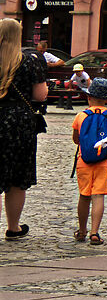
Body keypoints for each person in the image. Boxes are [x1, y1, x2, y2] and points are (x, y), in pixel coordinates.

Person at [0, 19, 49, 240]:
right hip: (19, 122)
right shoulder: (29, 61)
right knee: (17, 179)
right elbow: (40, 96)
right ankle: (13, 227)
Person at [72, 78, 107, 245]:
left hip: (83, 161)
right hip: (104, 162)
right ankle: (94, 233)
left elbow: (76, 139)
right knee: (98, 196)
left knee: (84, 196)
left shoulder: (81, 116)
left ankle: (81, 230)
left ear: (89, 97)